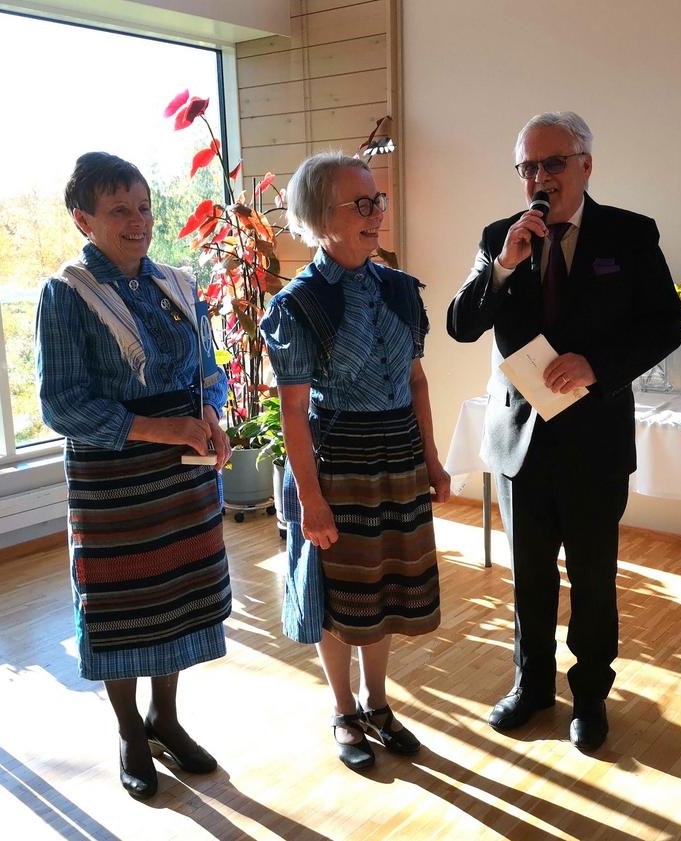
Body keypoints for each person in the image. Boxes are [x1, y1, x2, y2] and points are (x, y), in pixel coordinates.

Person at [447, 113, 681, 752]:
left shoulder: (629, 235)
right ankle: (530, 687)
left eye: (552, 163)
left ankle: (590, 696)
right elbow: (461, 325)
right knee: (529, 577)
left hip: (593, 440)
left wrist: (597, 365)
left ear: (585, 165)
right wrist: (502, 267)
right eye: (527, 167)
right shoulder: (501, 237)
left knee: (592, 578)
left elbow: (666, 325)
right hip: (520, 441)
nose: (539, 178)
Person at [36, 152, 233, 799]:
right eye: (119, 209)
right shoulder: (66, 294)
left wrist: (210, 415)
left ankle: (165, 719)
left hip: (184, 477)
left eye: (144, 207)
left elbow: (209, 370)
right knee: (124, 606)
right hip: (114, 484)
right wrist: (166, 429)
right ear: (83, 219)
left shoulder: (176, 284)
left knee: (176, 598)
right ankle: (130, 730)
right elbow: (63, 405)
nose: (138, 220)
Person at [260, 152, 450, 771]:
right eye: (361, 203)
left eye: (377, 201)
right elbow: (293, 413)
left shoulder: (399, 289)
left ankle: (377, 702)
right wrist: (310, 499)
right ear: (321, 218)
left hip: (398, 458)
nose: (375, 213)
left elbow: (416, 382)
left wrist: (432, 460)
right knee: (340, 596)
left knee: (386, 589)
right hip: (337, 464)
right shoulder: (298, 305)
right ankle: (343, 710)